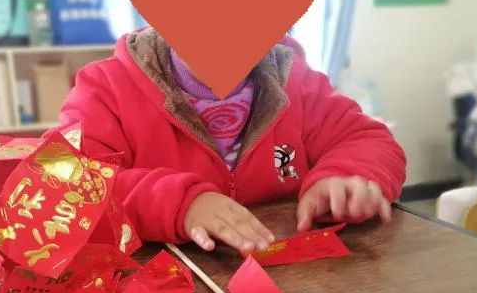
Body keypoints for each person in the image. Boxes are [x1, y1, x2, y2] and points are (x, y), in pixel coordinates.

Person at [51, 28, 406, 253]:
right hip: (158, 286)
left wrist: (346, 176)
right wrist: (179, 204)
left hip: (289, 279)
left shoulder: (297, 81)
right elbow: (61, 182)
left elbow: (365, 138)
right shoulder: (106, 90)